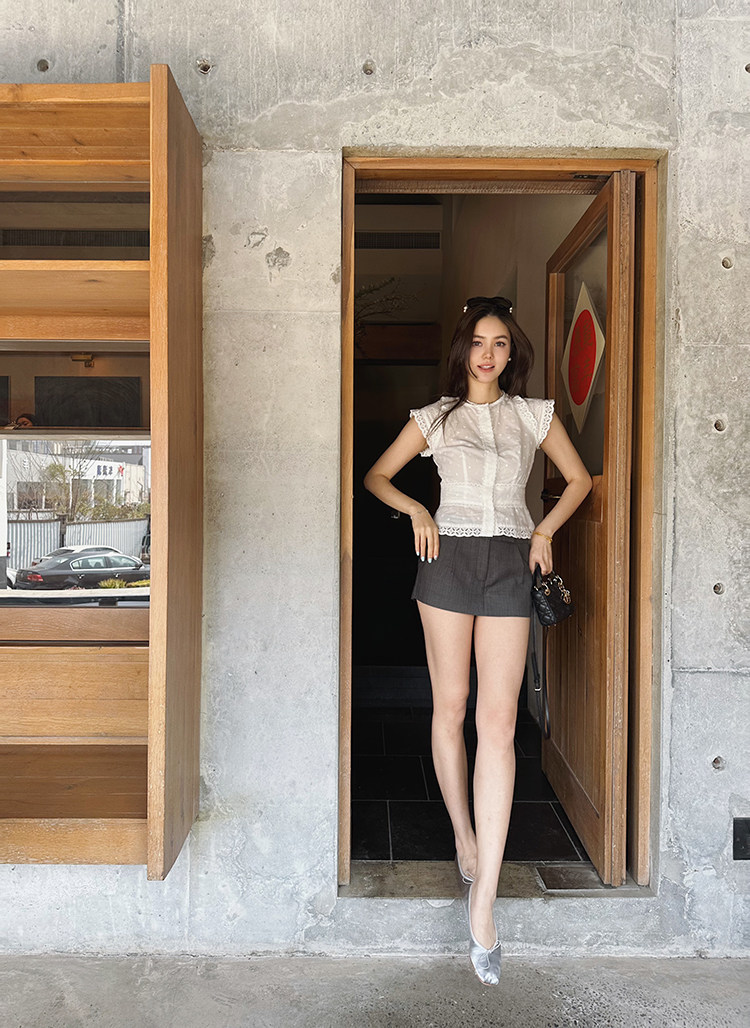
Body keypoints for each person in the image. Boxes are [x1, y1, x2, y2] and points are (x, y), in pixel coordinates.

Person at [363, 295, 592, 985]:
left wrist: (544, 529)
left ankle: (484, 895)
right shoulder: (434, 417)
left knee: (499, 723)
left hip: (511, 562)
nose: (488, 354)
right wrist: (415, 509)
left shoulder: (533, 414)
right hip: (447, 560)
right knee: (452, 708)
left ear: (510, 352)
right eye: (478, 342)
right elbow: (376, 476)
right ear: (462, 348)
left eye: (500, 343)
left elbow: (579, 480)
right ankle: (464, 834)